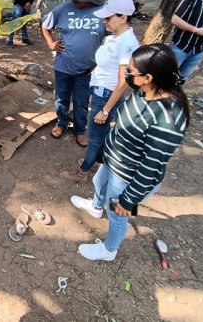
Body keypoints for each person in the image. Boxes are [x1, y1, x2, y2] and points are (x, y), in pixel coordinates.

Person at [70, 44, 190, 261]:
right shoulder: (142, 91)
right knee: (99, 182)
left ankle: (109, 250)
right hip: (115, 161)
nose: (127, 73)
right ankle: (96, 207)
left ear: (148, 77)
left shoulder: (167, 121)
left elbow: (151, 166)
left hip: (128, 176)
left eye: (132, 71)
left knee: (117, 213)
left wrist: (129, 200)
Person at [63, 0, 139, 183]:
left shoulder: (127, 43)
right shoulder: (115, 38)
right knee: (101, 134)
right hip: (100, 91)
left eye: (108, 18)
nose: (104, 21)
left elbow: (122, 83)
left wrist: (105, 110)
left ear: (123, 17)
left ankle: (84, 170)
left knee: (95, 137)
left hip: (107, 94)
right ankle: (101, 164)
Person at [41, 0, 106, 147]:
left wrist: (101, 59)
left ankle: (79, 130)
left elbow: (114, 37)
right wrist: (51, 43)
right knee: (61, 99)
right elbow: (45, 26)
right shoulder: (63, 9)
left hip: (87, 70)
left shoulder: (103, 12)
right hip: (63, 66)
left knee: (81, 101)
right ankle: (61, 123)